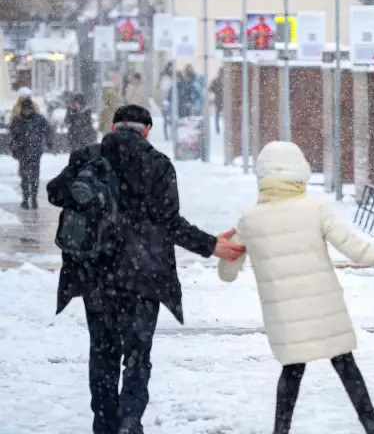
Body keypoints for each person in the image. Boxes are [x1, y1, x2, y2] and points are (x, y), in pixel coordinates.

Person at [46, 105, 246, 434]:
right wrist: (210, 244)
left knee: (103, 352)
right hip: (143, 275)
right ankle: (129, 420)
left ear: (112, 126)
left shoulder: (87, 157)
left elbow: (55, 193)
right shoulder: (158, 165)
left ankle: (105, 423)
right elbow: (171, 224)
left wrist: (84, 192)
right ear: (147, 129)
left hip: (95, 274)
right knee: (137, 356)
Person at [217, 141, 374, 434]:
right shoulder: (314, 208)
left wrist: (224, 247)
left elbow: (228, 274)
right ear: (298, 172)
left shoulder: (250, 219)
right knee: (345, 364)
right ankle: (373, 428)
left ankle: (281, 431)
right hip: (324, 310)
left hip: (286, 316)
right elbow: (355, 248)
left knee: (292, 370)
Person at [10, 96, 53, 209]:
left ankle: (33, 199)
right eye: (25, 109)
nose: (28, 112)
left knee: (34, 177)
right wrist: (14, 149)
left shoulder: (39, 119)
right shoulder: (18, 120)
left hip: (35, 152)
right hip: (22, 152)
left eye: (29, 109)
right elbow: (13, 137)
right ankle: (25, 199)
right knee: (24, 177)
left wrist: (49, 142)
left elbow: (48, 130)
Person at [159, 63, 173, 140]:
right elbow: (160, 88)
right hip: (165, 100)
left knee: (170, 118)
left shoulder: (173, 76)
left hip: (170, 100)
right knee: (166, 119)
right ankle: (167, 135)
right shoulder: (163, 76)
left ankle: (170, 134)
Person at [208, 67, 224, 134]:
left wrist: (215, 91)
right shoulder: (227, 79)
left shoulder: (216, 80)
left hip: (218, 98)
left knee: (217, 114)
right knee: (227, 114)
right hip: (225, 98)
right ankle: (225, 128)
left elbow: (210, 89)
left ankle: (217, 129)